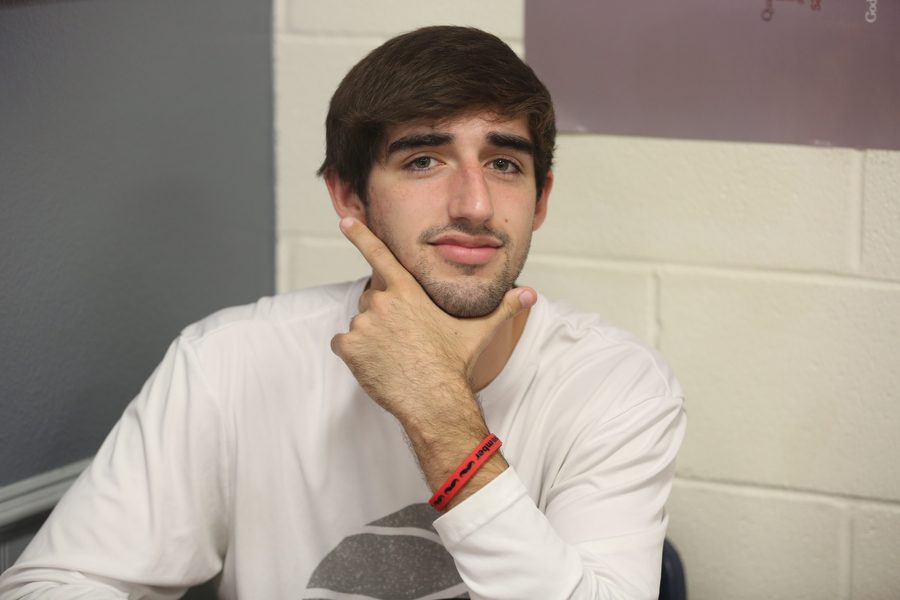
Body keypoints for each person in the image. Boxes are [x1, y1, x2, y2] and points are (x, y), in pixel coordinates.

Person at [0, 26, 686, 600]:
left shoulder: (616, 385)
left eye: (505, 164)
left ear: (540, 199)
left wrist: (437, 411)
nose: (475, 205)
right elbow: (58, 582)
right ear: (350, 197)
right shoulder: (231, 359)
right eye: (424, 159)